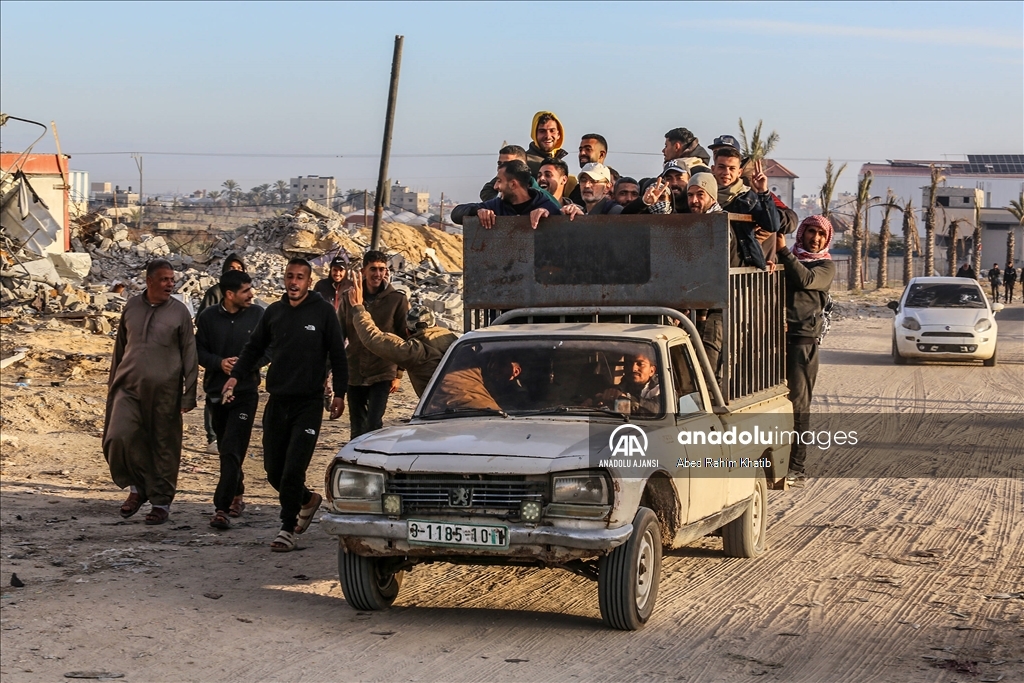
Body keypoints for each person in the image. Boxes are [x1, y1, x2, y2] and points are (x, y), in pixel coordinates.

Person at [223, 258, 348, 552]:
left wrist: (340, 393)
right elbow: (253, 348)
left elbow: (339, 356)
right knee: (273, 471)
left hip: (308, 403)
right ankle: (307, 500)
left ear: (308, 281)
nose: (294, 282)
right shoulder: (274, 313)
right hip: (278, 400)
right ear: (284, 279)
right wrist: (235, 378)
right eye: (290, 276)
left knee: (293, 469)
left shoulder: (323, 312)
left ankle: (286, 527)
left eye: (300, 277)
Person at [104, 259, 198, 526]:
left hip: (165, 391)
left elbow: (190, 354)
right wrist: (113, 384)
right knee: (118, 436)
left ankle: (160, 502)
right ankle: (137, 487)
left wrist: (188, 393)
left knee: (163, 446)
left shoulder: (179, 312)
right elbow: (120, 348)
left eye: (172, 279)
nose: (171, 284)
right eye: (165, 279)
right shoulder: (132, 306)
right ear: (149, 281)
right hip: (128, 386)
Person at [195, 269, 266, 529]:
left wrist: (243, 366)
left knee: (234, 448)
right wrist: (219, 363)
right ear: (229, 295)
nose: (251, 295)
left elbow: (269, 349)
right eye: (246, 291)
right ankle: (238, 491)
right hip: (216, 393)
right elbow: (198, 350)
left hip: (245, 392)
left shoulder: (259, 315)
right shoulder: (208, 317)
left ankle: (221, 508)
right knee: (227, 449)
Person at [774, 216, 838, 487]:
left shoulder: (825, 265)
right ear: (802, 233)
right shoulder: (786, 261)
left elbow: (805, 279)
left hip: (804, 342)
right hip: (774, 341)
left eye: (821, 234)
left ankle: (797, 467)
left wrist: (783, 252)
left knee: (799, 406)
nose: (816, 238)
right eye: (811, 232)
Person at [337, 250, 409, 440]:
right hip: (355, 371)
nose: (378, 274)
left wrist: (399, 374)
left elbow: (404, 338)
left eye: (382, 269)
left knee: (374, 423)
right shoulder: (349, 298)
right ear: (363, 271)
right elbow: (339, 335)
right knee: (357, 424)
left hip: (383, 370)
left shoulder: (397, 300)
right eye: (373, 269)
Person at [346, 277, 459, 397]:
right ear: (436, 325)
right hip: (477, 406)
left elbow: (373, 338)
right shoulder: (455, 341)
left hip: (443, 410)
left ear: (408, 332)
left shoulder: (415, 352)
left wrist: (358, 308)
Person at [196, 253, 246, 453]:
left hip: (238, 360)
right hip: (217, 355)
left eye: (238, 268)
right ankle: (213, 437)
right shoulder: (214, 292)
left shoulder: (247, 295)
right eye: (231, 268)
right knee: (214, 396)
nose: (235, 272)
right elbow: (203, 322)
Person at [710, 136, 780, 269]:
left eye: (732, 168)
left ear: (739, 172)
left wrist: (763, 192)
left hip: (742, 266)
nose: (726, 173)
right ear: (713, 169)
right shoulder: (704, 195)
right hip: (712, 265)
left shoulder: (748, 198)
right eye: (721, 167)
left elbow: (772, 225)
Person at [451, 160, 563, 230]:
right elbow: (456, 213)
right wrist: (476, 211)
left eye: (499, 181)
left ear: (513, 184)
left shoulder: (546, 205)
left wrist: (548, 218)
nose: (495, 187)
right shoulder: (496, 206)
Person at [480, 144, 560, 204]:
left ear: (522, 166)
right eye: (500, 164)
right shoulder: (498, 196)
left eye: (508, 164)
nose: (501, 168)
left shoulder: (544, 198)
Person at [594, 350, 661, 415]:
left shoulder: (661, 389)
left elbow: (657, 411)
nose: (633, 368)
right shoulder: (621, 387)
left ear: (652, 370)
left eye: (640, 364)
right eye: (629, 363)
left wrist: (628, 398)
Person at [566, 134, 608, 205]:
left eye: (588, 149)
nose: (582, 153)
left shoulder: (616, 185)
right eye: (580, 150)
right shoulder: (576, 190)